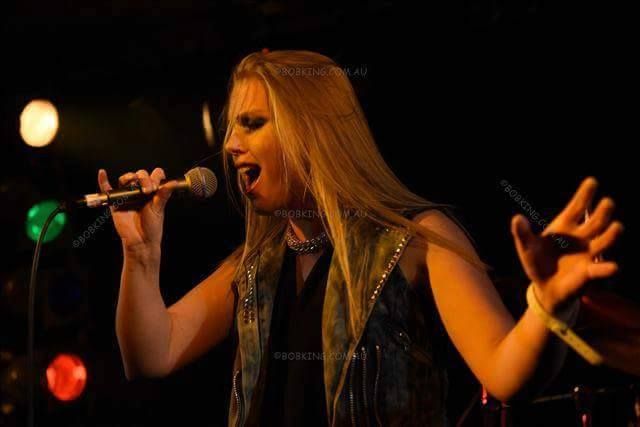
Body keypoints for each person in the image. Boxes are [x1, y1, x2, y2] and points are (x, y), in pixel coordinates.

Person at [97, 50, 623, 426]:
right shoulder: (254, 266)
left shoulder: (416, 240)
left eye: (253, 123)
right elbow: (151, 355)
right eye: (233, 127)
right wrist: (140, 255)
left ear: (313, 131)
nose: (231, 144)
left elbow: (506, 374)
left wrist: (548, 307)